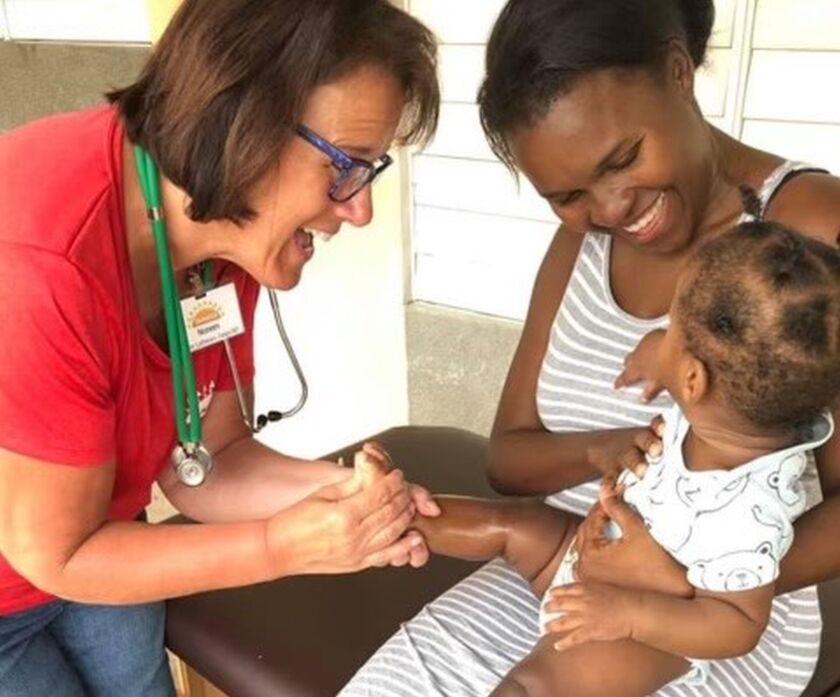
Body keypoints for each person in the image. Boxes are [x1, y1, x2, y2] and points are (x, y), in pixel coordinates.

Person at [340, 0, 840, 695]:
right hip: (578, 555)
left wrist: (679, 576)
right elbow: (511, 458)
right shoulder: (581, 241)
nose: (609, 211)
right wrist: (602, 451)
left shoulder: (813, 236)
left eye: (623, 158)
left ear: (677, 71)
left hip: (715, 619)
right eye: (568, 192)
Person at [0, 1, 441, 695]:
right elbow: (56, 550)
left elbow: (211, 459)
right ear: (242, 126)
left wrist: (349, 500)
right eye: (346, 166)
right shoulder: (43, 263)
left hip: (93, 534)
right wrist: (282, 546)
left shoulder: (221, 241)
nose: (360, 208)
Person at [351, 220, 840, 696]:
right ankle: (399, 514)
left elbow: (737, 625)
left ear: (693, 379)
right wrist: (661, 355)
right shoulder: (736, 408)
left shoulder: (752, 515)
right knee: (513, 526)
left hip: (644, 631)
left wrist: (627, 614)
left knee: (534, 685)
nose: (659, 333)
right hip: (588, 555)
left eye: (670, 326)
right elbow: (694, 360)